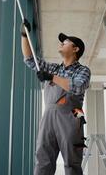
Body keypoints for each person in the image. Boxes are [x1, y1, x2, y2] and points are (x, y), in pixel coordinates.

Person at [21, 19, 91, 175]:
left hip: (73, 116)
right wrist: (24, 35)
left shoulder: (83, 70)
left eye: (65, 42)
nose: (61, 43)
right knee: (43, 160)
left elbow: (77, 87)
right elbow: (29, 60)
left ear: (75, 49)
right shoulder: (54, 68)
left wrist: (51, 77)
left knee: (72, 163)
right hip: (49, 117)